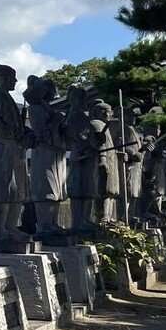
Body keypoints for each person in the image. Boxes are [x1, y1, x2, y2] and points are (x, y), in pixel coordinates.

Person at [0, 63, 31, 243]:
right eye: (13, 77)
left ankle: (10, 226)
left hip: (17, 148)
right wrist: (4, 130)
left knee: (17, 190)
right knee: (1, 188)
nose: (16, 81)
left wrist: (26, 132)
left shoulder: (8, 99)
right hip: (2, 147)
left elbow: (18, 126)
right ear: (2, 78)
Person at [24, 75, 68, 236]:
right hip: (45, 151)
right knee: (46, 188)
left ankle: (53, 223)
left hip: (57, 151)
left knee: (57, 190)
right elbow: (40, 133)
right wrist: (56, 121)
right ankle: (44, 225)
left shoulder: (48, 108)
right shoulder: (35, 108)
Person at [65, 86, 105, 234]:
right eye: (83, 99)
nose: (85, 102)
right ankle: (78, 221)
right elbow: (75, 136)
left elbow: (89, 136)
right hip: (80, 155)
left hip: (89, 155)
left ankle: (85, 219)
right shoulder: (74, 115)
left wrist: (97, 139)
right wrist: (86, 145)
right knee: (78, 188)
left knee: (88, 189)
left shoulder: (83, 116)